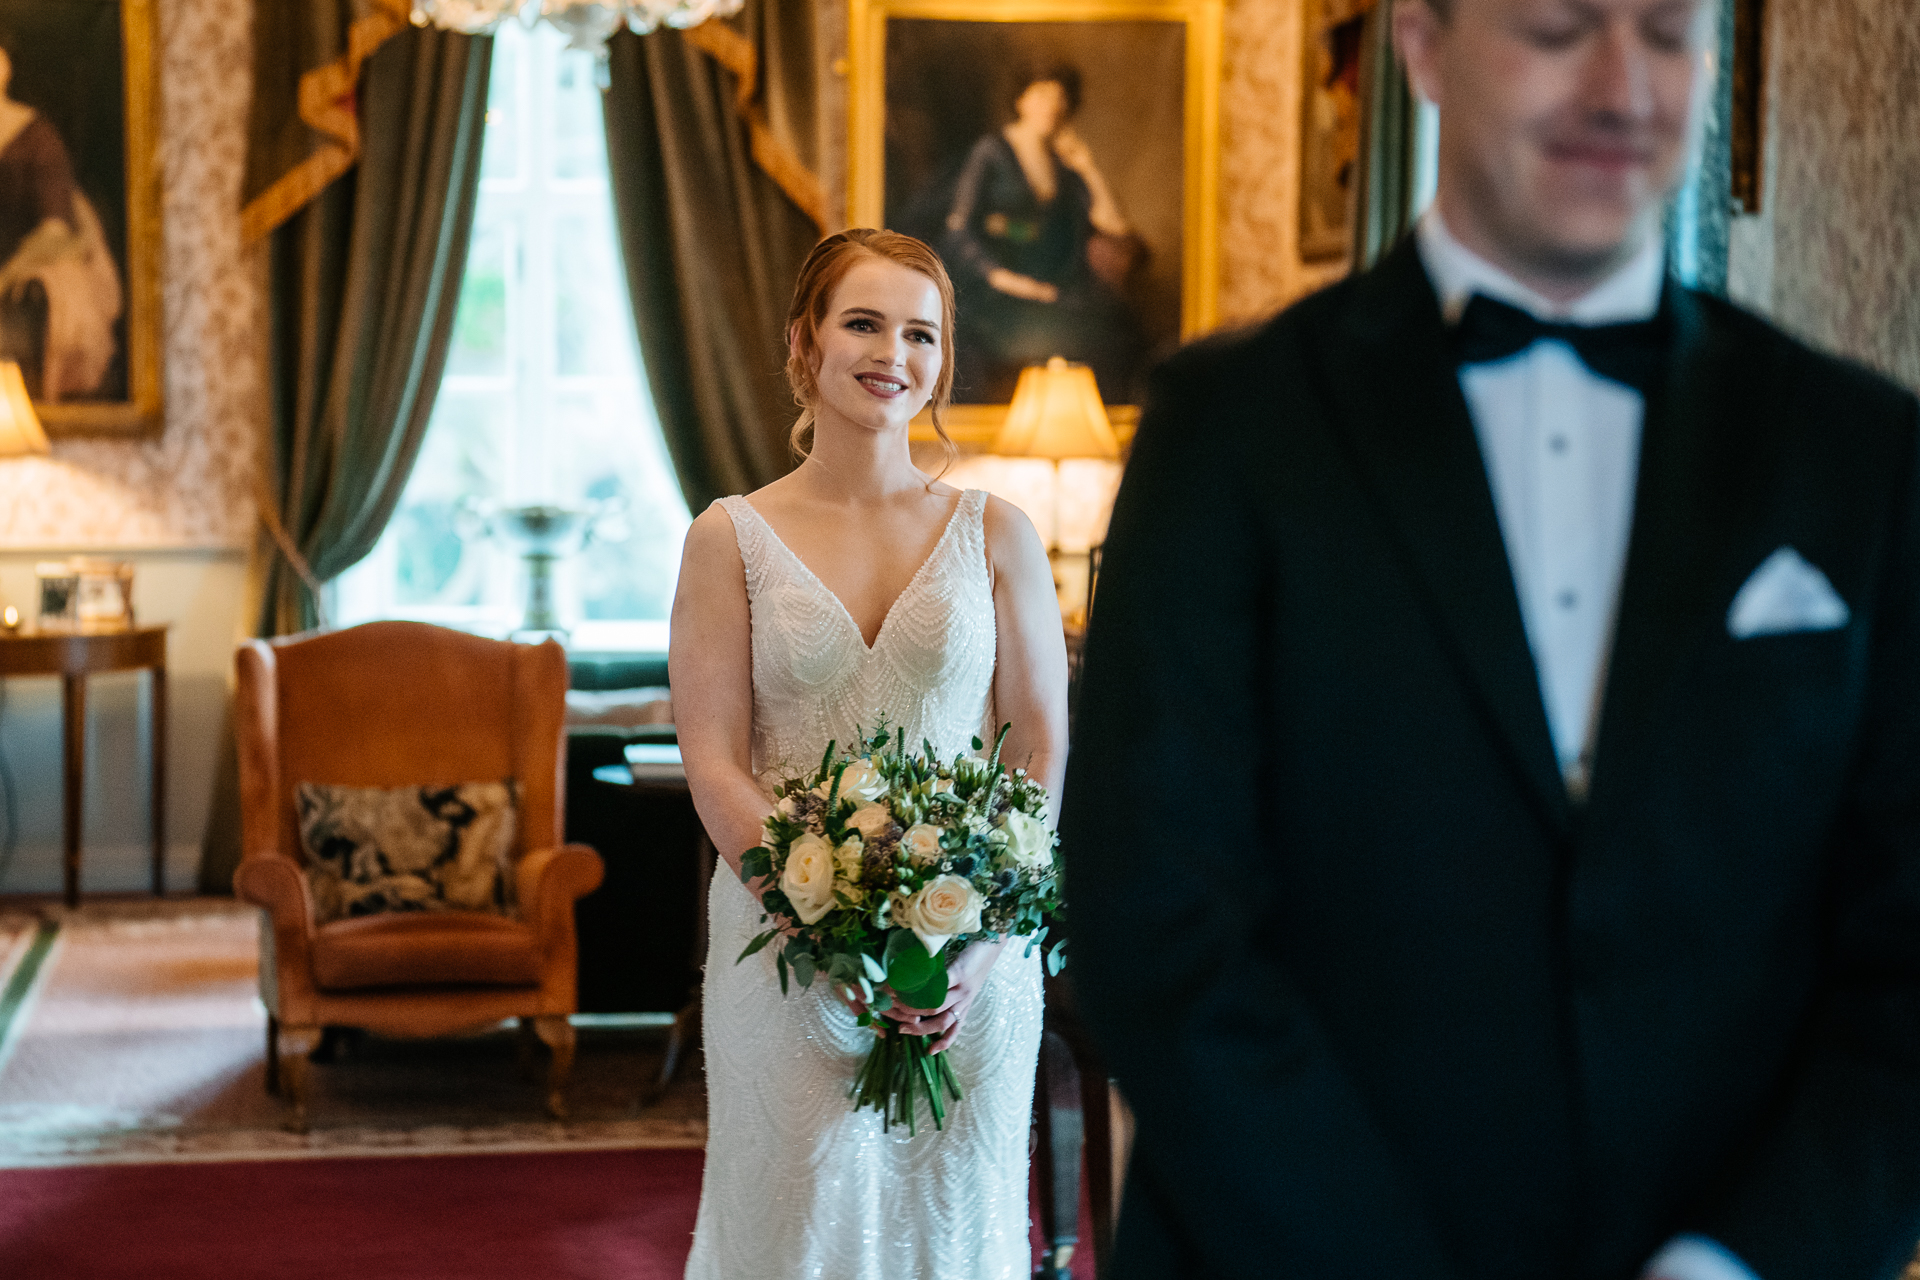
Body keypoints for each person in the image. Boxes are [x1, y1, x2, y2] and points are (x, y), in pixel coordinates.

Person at [1061, 0, 1920, 1277]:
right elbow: (1154, 919)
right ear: (1421, 43)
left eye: (1670, 35)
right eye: (1560, 27)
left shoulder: (1859, 452)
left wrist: (1740, 1261)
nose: (1624, 88)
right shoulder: (1229, 429)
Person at [670, 228, 1070, 1279]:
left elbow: (1039, 741)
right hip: (783, 939)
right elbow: (713, 761)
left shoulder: (998, 531)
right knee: (797, 1215)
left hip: (973, 952)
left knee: (958, 1215)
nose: (893, 351)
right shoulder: (729, 536)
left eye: (921, 332)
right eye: (864, 321)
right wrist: (826, 920)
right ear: (805, 341)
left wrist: (979, 946)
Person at [943, 63, 1145, 403]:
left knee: (1119, 334)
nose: (1052, 106)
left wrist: (1087, 166)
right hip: (999, 291)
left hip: (1057, 289)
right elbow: (960, 229)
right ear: (1021, 101)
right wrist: (1003, 277)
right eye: (1041, 95)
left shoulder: (1065, 164)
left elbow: (1114, 227)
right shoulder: (991, 153)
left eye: (1059, 98)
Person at [0, 34, 122, 402]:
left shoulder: (37, 137)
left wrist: (6, 274)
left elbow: (54, 230)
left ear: (5, 67)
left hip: (26, 266)